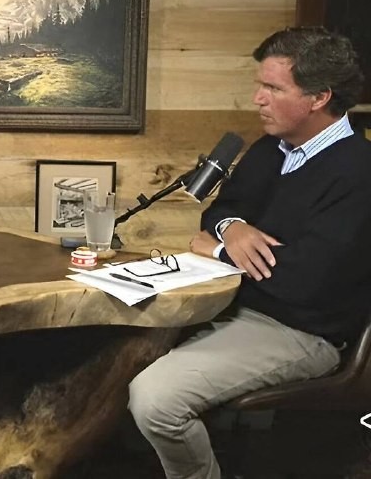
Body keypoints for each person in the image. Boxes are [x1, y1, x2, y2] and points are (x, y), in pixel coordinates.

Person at [128, 26, 371, 478]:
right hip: (228, 304)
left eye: (273, 88)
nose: (258, 99)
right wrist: (232, 229)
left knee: (156, 400)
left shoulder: (359, 172)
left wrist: (218, 251)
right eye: (260, 85)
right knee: (104, 353)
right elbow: (219, 211)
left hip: (302, 332)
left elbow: (305, 282)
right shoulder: (269, 150)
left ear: (319, 97)